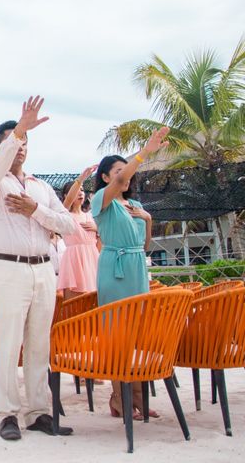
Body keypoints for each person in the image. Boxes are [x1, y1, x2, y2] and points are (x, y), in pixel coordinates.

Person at [0, 96, 76, 440]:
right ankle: (7, 414)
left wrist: (36, 210)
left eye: (24, 143)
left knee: (39, 344)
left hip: (44, 268)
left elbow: (69, 226)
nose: (19, 148)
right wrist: (19, 129)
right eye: (11, 143)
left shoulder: (40, 187)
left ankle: (38, 412)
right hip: (7, 269)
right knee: (7, 342)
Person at [91, 126, 169, 419]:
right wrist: (145, 152)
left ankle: (137, 398)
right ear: (106, 177)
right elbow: (123, 179)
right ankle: (118, 398)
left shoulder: (135, 204)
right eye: (119, 172)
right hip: (115, 268)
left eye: (128, 171)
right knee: (116, 334)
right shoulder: (102, 200)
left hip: (138, 267)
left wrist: (147, 219)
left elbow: (145, 244)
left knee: (137, 334)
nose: (126, 176)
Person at [57, 165, 100, 300]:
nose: (81, 193)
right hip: (74, 260)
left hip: (92, 258)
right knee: (74, 303)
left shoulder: (92, 216)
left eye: (82, 190)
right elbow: (67, 202)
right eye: (77, 190)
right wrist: (81, 179)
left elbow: (101, 240)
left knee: (95, 300)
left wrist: (97, 229)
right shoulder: (65, 215)